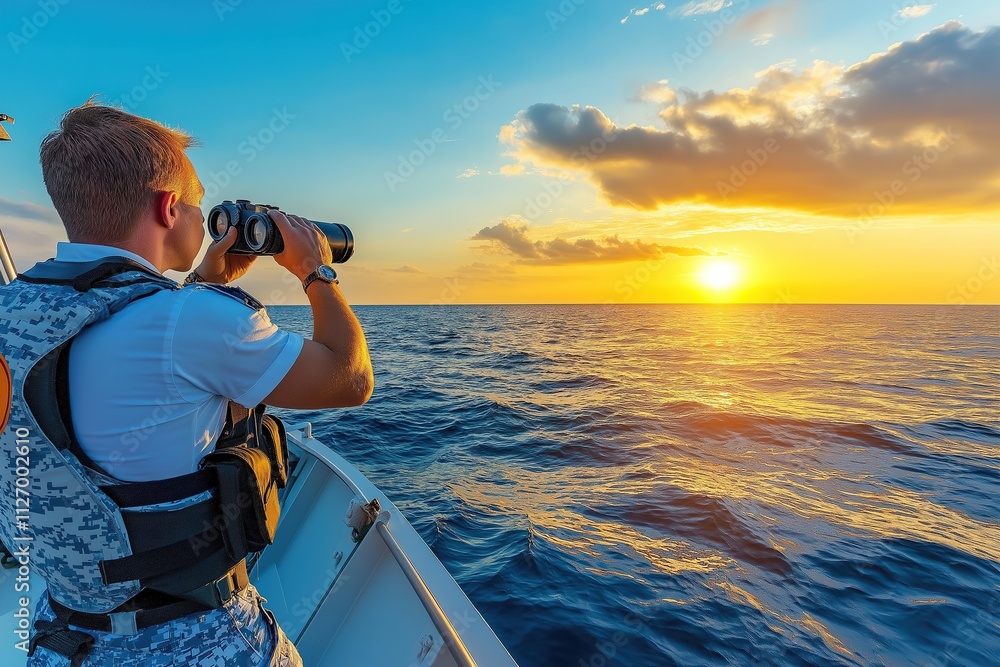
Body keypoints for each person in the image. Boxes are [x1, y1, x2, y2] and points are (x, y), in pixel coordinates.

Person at [0, 102, 373, 665]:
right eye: (200, 207)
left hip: (63, 638)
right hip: (192, 641)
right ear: (168, 207)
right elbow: (349, 379)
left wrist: (202, 285)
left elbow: (114, 337)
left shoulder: (11, 311)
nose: (205, 224)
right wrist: (316, 270)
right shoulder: (194, 321)